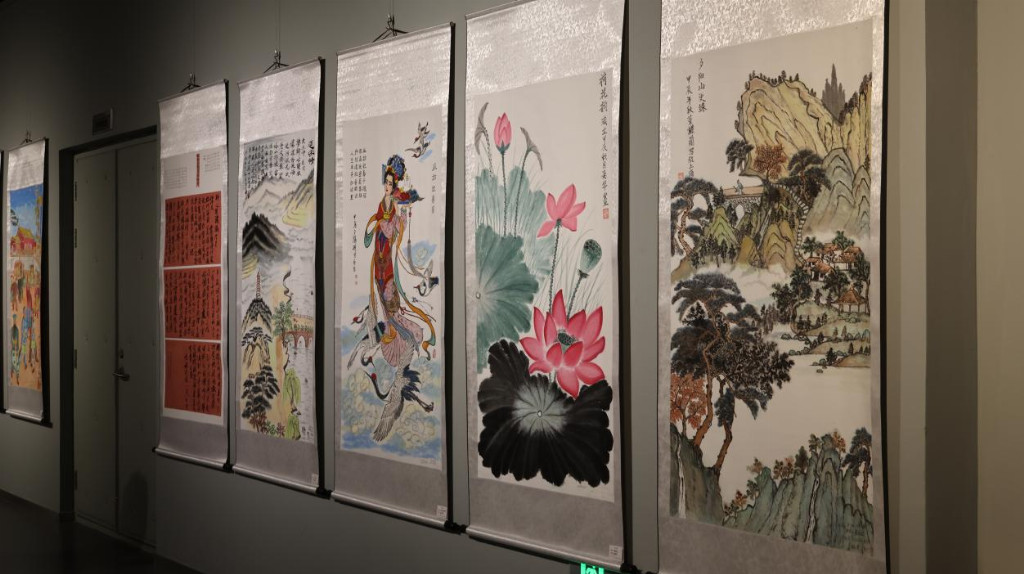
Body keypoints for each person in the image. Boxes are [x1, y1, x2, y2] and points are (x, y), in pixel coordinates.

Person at [362, 154, 436, 370]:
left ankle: (400, 335)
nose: (387, 186)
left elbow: (393, 225)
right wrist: (380, 224)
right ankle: (387, 331)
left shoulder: (393, 203)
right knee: (381, 294)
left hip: (386, 256)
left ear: (394, 185)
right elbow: (380, 223)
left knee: (389, 296)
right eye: (385, 182)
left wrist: (403, 212)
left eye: (390, 183)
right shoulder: (383, 202)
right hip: (378, 255)